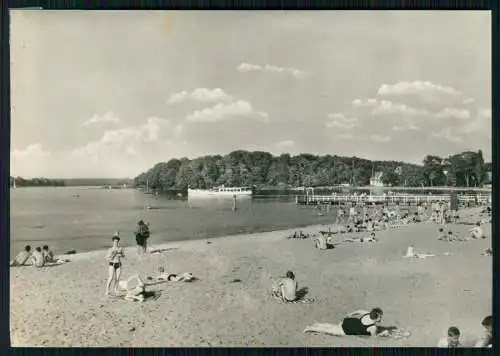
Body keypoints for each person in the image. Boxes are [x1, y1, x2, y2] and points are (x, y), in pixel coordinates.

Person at [105, 232, 125, 297]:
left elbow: (123, 255)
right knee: (110, 277)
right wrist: (113, 254)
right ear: (113, 242)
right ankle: (107, 291)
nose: (116, 243)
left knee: (117, 278)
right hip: (112, 264)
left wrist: (120, 254)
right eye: (114, 241)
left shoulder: (120, 248)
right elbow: (107, 258)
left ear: (118, 242)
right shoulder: (110, 249)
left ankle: (115, 289)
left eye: (117, 241)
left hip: (118, 264)